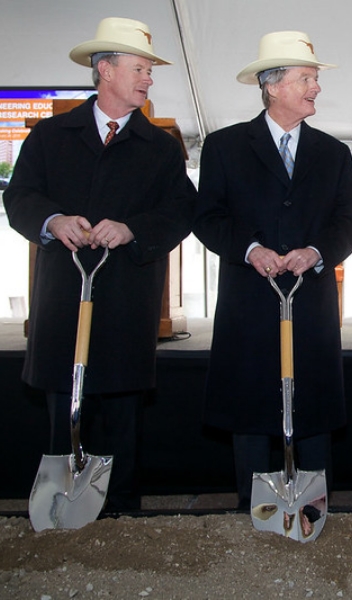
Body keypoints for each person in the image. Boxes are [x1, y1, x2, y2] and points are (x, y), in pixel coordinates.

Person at [4, 17, 196, 510]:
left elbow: (181, 210)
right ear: (105, 70)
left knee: (123, 414)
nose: (149, 78)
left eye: (149, 70)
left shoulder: (161, 147)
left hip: (128, 299)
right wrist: (52, 220)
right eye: (140, 68)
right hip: (64, 296)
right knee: (62, 407)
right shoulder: (50, 136)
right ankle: (60, 515)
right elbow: (20, 196)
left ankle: (121, 516)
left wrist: (133, 229)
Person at [192, 31, 352, 510]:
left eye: (314, 78)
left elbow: (349, 222)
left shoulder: (334, 154)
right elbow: (208, 218)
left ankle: (313, 507)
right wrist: (249, 250)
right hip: (249, 301)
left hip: (310, 302)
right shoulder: (224, 147)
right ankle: (254, 507)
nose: (316, 88)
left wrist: (316, 251)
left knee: (313, 406)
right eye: (306, 78)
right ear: (271, 86)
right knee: (248, 407)